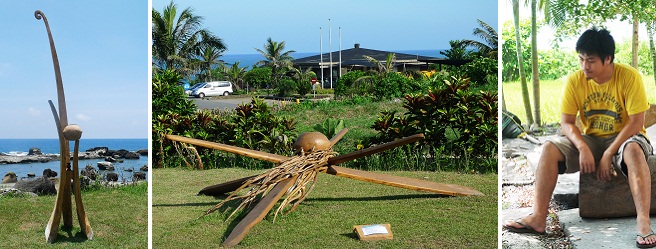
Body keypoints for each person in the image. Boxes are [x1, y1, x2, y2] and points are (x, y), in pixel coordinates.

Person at [503, 27, 655, 248]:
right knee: (549, 148)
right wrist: (583, 147)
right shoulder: (576, 80)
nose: (585, 66)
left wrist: (608, 153)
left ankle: (643, 223)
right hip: (592, 138)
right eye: (581, 59)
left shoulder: (629, 77)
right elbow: (566, 122)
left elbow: (636, 123)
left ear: (608, 59)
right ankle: (538, 217)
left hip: (627, 138)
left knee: (632, 150)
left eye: (591, 60)